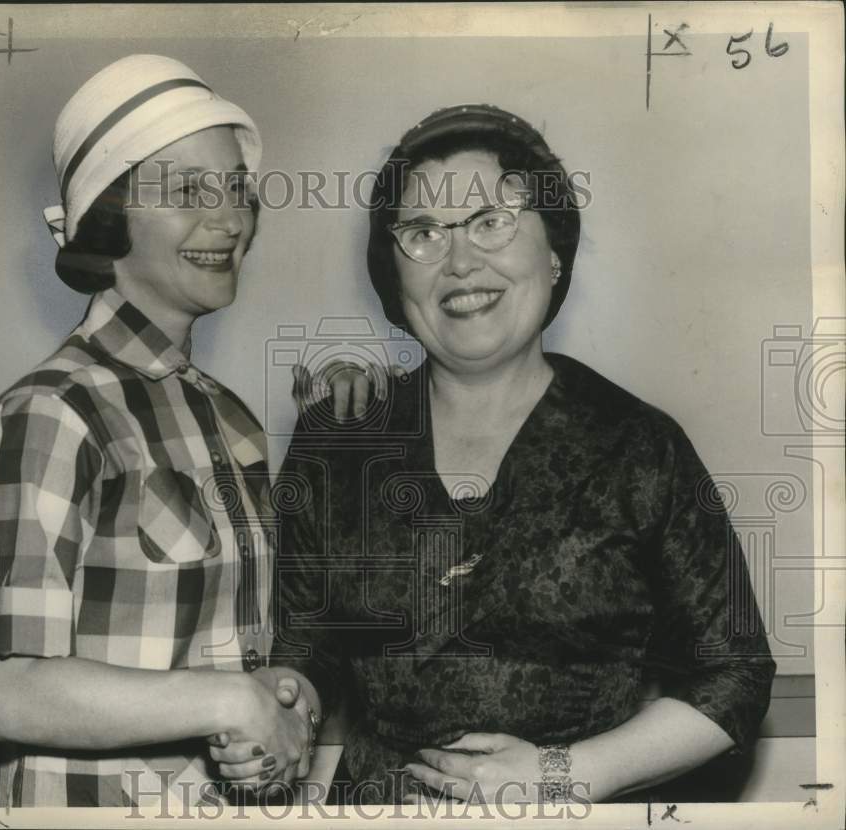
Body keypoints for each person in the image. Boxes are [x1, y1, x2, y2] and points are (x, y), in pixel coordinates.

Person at [218, 104, 776, 804]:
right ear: (393, 272)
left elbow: (737, 674)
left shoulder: (639, 446)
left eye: (490, 223)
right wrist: (282, 705)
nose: (459, 262)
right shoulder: (339, 439)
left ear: (553, 249)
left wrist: (559, 775)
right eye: (422, 233)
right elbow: (309, 646)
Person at [0, 54, 351, 808]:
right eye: (187, 191)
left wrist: (275, 691)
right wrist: (225, 702)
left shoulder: (232, 423)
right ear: (109, 216)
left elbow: (221, 657)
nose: (231, 219)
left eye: (238, 188)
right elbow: (9, 693)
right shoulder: (51, 414)